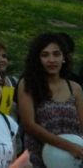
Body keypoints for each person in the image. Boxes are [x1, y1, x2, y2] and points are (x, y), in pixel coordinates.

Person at [17, 33, 83, 168]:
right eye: (45, 55)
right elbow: (29, 124)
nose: (51, 60)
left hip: (74, 159)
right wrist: (68, 146)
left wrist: (74, 149)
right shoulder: (28, 84)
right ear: (37, 59)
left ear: (64, 57)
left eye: (56, 54)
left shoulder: (75, 88)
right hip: (38, 159)